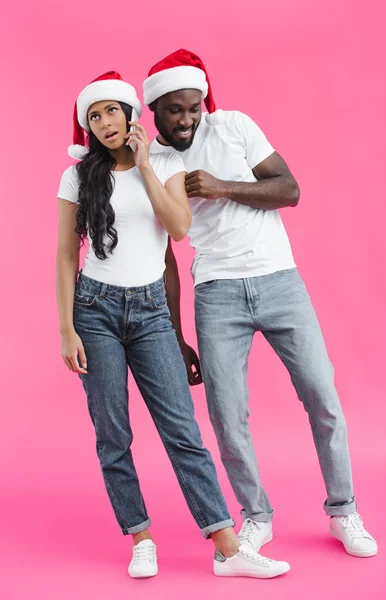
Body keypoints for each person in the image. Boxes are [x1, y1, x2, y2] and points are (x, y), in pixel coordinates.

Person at [56, 70, 291, 579]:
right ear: (88, 126)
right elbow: (61, 257)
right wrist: (66, 329)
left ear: (130, 113)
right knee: (112, 432)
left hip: (150, 314)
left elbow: (179, 230)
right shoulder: (76, 177)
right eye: (93, 116)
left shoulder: (164, 161)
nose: (103, 122)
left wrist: (142, 165)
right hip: (93, 311)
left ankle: (227, 547)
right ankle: (140, 536)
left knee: (183, 431)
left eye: (111, 110)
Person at [143, 49, 378, 559]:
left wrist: (221, 186)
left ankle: (344, 510)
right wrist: (177, 335)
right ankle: (257, 517)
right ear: (154, 109)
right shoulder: (154, 164)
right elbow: (163, 256)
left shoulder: (233, 127)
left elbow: (289, 190)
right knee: (227, 418)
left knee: (323, 398)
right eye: (175, 109)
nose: (187, 119)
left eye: (194, 107)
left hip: (279, 280)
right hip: (216, 293)